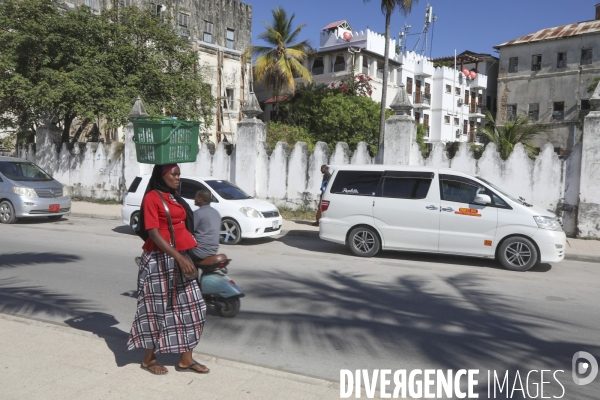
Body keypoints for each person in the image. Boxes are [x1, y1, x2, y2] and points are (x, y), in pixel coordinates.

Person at [127, 164, 209, 375]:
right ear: (161, 175)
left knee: (194, 308)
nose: (178, 178)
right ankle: (149, 359)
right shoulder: (151, 198)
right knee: (154, 311)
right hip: (158, 260)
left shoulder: (174, 197)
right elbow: (153, 233)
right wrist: (178, 256)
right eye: (174, 174)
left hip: (181, 259)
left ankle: (185, 360)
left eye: (179, 174)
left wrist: (187, 255)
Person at [188, 189, 222, 261]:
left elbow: (189, 231)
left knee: (181, 255)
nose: (194, 199)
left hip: (198, 252)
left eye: (195, 197)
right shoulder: (216, 213)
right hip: (213, 251)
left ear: (200, 199)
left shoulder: (197, 213)